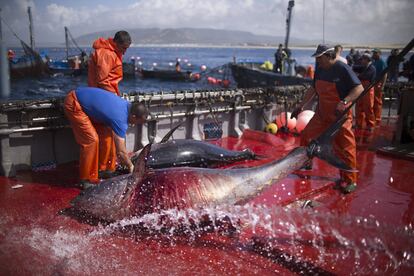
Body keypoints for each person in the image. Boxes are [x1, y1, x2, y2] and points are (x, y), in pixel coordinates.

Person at [292, 44, 364, 194]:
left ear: (330, 56)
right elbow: (313, 89)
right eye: (317, 58)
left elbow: (359, 88)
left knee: (345, 148)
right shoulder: (319, 68)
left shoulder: (342, 69)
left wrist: (344, 102)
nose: (317, 61)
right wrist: (301, 106)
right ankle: (306, 162)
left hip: (339, 117)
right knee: (306, 135)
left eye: (320, 58)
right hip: (322, 113)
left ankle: (350, 180)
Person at [64, 87, 148, 189]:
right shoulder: (120, 118)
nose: (135, 125)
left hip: (84, 102)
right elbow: (121, 152)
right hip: (74, 103)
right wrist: (130, 166)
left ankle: (102, 170)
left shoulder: (126, 105)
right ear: (133, 117)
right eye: (137, 122)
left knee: (107, 134)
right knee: (91, 140)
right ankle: (85, 179)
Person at [88, 30, 132, 179]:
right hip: (103, 99)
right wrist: (114, 100)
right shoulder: (107, 54)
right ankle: (103, 168)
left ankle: (110, 167)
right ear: (116, 43)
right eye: (124, 48)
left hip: (105, 97)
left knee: (109, 134)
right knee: (106, 136)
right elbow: (103, 80)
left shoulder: (112, 52)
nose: (125, 52)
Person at [354, 54, 376, 131]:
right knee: (358, 107)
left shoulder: (372, 68)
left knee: (368, 108)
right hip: (361, 89)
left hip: (368, 90)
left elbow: (364, 76)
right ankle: (358, 124)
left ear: (367, 60)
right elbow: (354, 67)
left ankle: (370, 124)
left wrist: (356, 75)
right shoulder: (363, 67)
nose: (361, 61)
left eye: (363, 59)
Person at [371, 48, 387, 124]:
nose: (373, 54)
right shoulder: (374, 61)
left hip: (378, 83)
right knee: (373, 101)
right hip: (373, 83)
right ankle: (373, 117)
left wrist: (382, 85)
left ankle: (377, 118)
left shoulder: (382, 62)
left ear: (379, 53)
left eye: (375, 53)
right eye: (373, 53)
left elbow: (385, 74)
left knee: (378, 102)